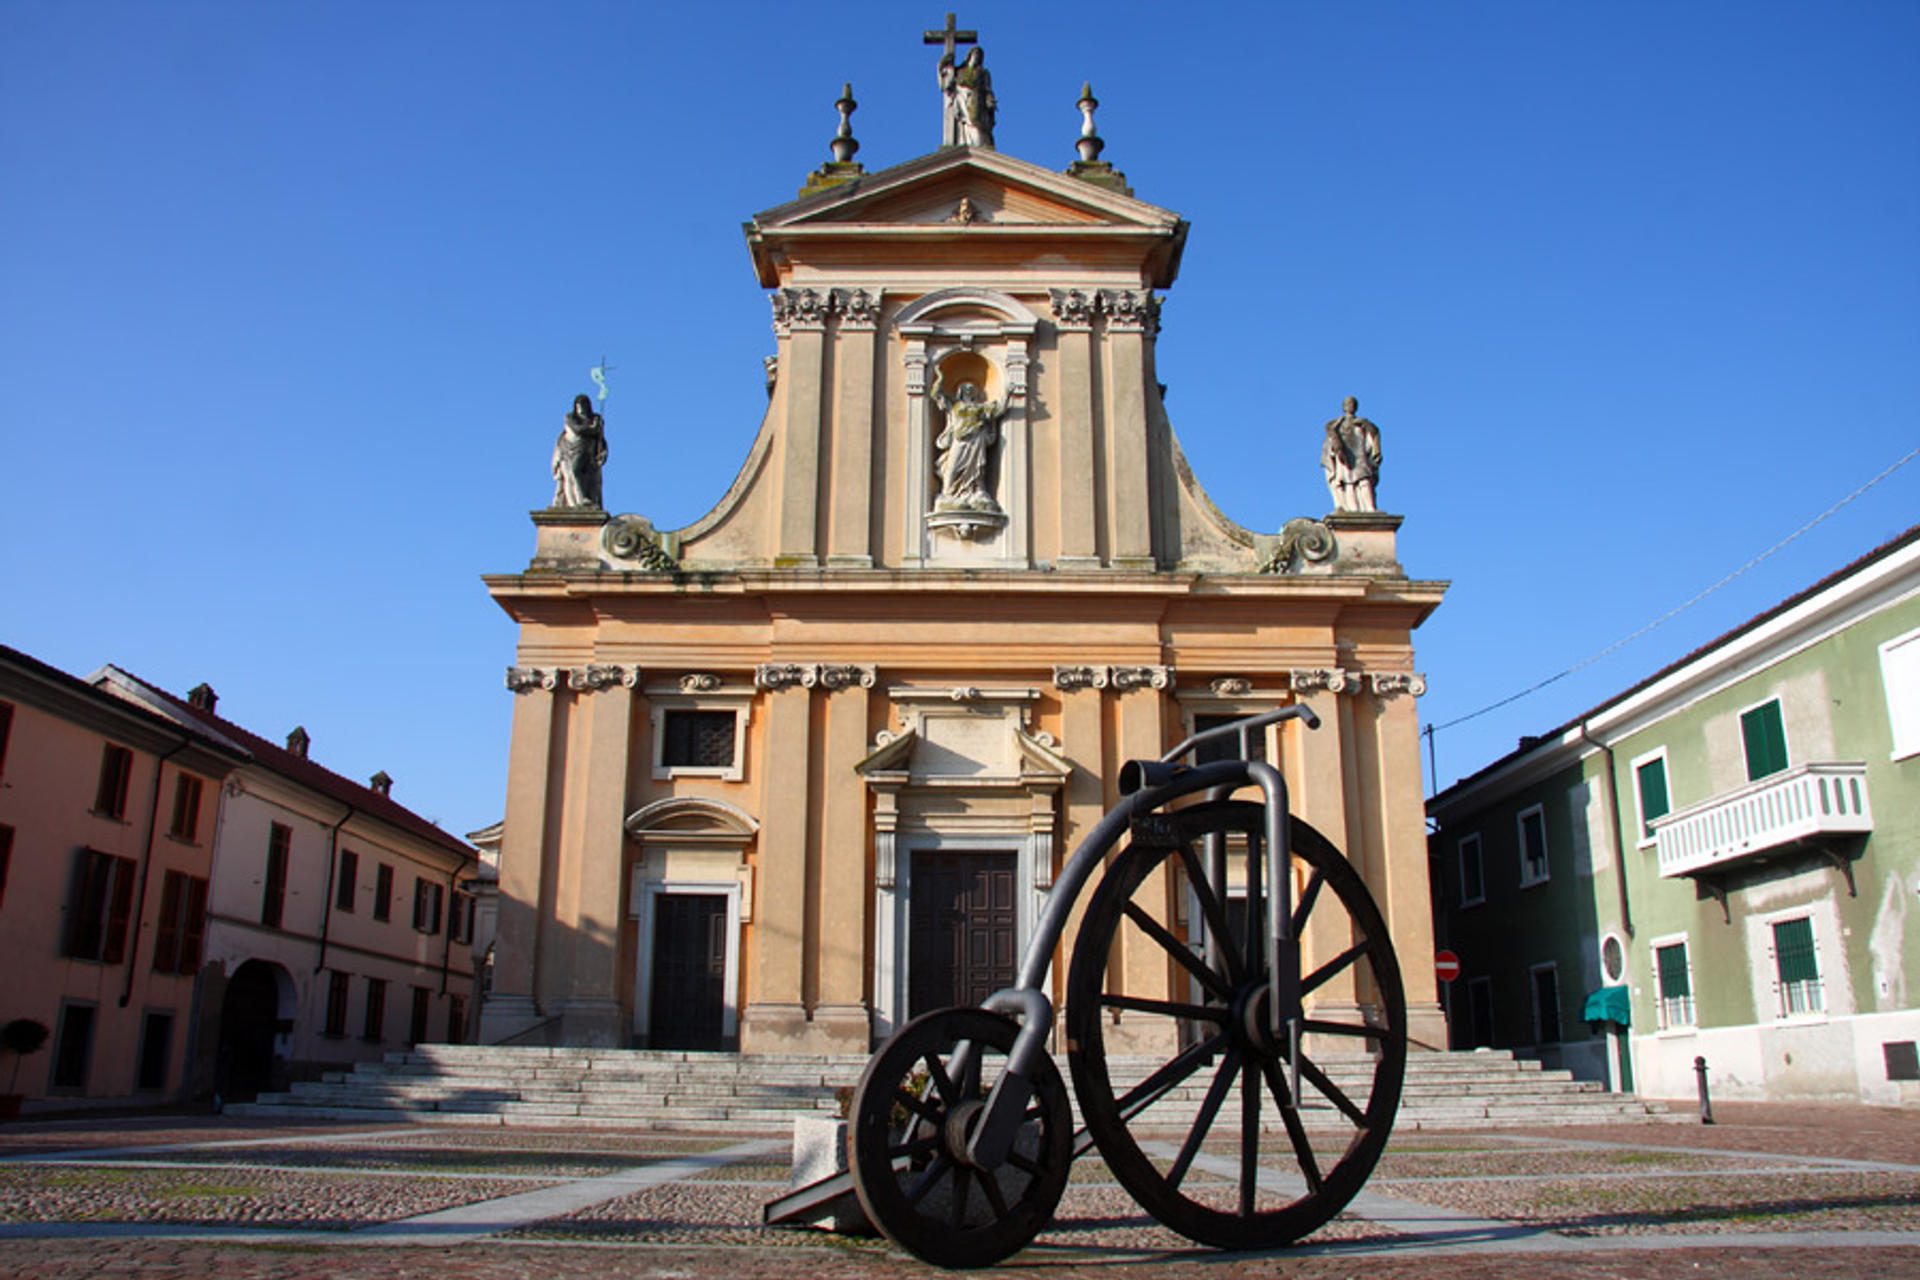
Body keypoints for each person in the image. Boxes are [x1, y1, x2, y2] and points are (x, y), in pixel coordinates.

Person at [931, 368, 1008, 512]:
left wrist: (1007, 394)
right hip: (959, 440)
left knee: (977, 469)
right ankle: (948, 494)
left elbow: (999, 410)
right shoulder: (955, 405)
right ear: (960, 392)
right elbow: (937, 395)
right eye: (966, 389)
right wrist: (940, 378)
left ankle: (976, 491)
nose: (969, 391)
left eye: (971, 389)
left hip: (977, 441)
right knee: (952, 467)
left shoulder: (980, 409)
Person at [1320, 396, 1382, 513]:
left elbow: (1373, 436)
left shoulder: (1362, 424)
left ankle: (1369, 508)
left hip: (1360, 456)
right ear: (1344, 407)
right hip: (1344, 458)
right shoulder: (1337, 425)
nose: (1350, 406)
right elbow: (1330, 441)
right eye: (1348, 404)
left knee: (1364, 480)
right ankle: (1351, 509)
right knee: (1348, 483)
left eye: (1353, 404)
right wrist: (1336, 449)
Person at [552, 394, 608, 509]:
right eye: (578, 406)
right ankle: (577, 500)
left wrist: (603, 451)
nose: (581, 408)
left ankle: (582, 498)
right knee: (570, 474)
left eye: (583, 405)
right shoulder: (570, 417)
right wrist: (593, 428)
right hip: (567, 449)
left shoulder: (595, 419)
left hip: (585, 449)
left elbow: (600, 438)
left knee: (578, 471)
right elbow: (578, 429)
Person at [938, 46, 996, 148]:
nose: (977, 57)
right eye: (975, 54)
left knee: (977, 127)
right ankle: (963, 141)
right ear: (970, 56)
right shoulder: (959, 71)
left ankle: (977, 146)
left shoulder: (983, 73)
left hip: (977, 102)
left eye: (979, 56)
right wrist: (943, 64)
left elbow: (987, 89)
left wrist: (989, 100)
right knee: (965, 124)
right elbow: (947, 82)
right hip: (963, 100)